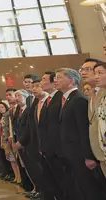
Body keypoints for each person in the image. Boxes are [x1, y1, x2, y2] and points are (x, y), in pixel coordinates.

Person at [55, 67, 106, 199]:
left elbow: (83, 129)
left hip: (81, 155)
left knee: (90, 189)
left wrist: (88, 156)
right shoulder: (67, 99)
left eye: (59, 77)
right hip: (72, 154)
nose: (55, 80)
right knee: (81, 187)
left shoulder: (78, 99)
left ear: (71, 81)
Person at [37, 71, 66, 200]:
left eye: (43, 79)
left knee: (64, 181)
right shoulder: (48, 100)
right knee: (55, 179)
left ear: (53, 82)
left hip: (59, 149)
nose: (40, 82)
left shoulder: (60, 97)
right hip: (48, 149)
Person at [90, 64, 106, 182]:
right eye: (95, 73)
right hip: (102, 150)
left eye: (100, 73)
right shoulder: (101, 95)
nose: (96, 76)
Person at [3, 89, 21, 186]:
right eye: (6, 95)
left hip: (19, 139)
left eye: (10, 95)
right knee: (12, 159)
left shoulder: (20, 108)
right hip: (10, 138)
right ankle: (17, 177)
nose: (8, 97)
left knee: (20, 161)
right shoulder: (10, 110)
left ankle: (21, 179)